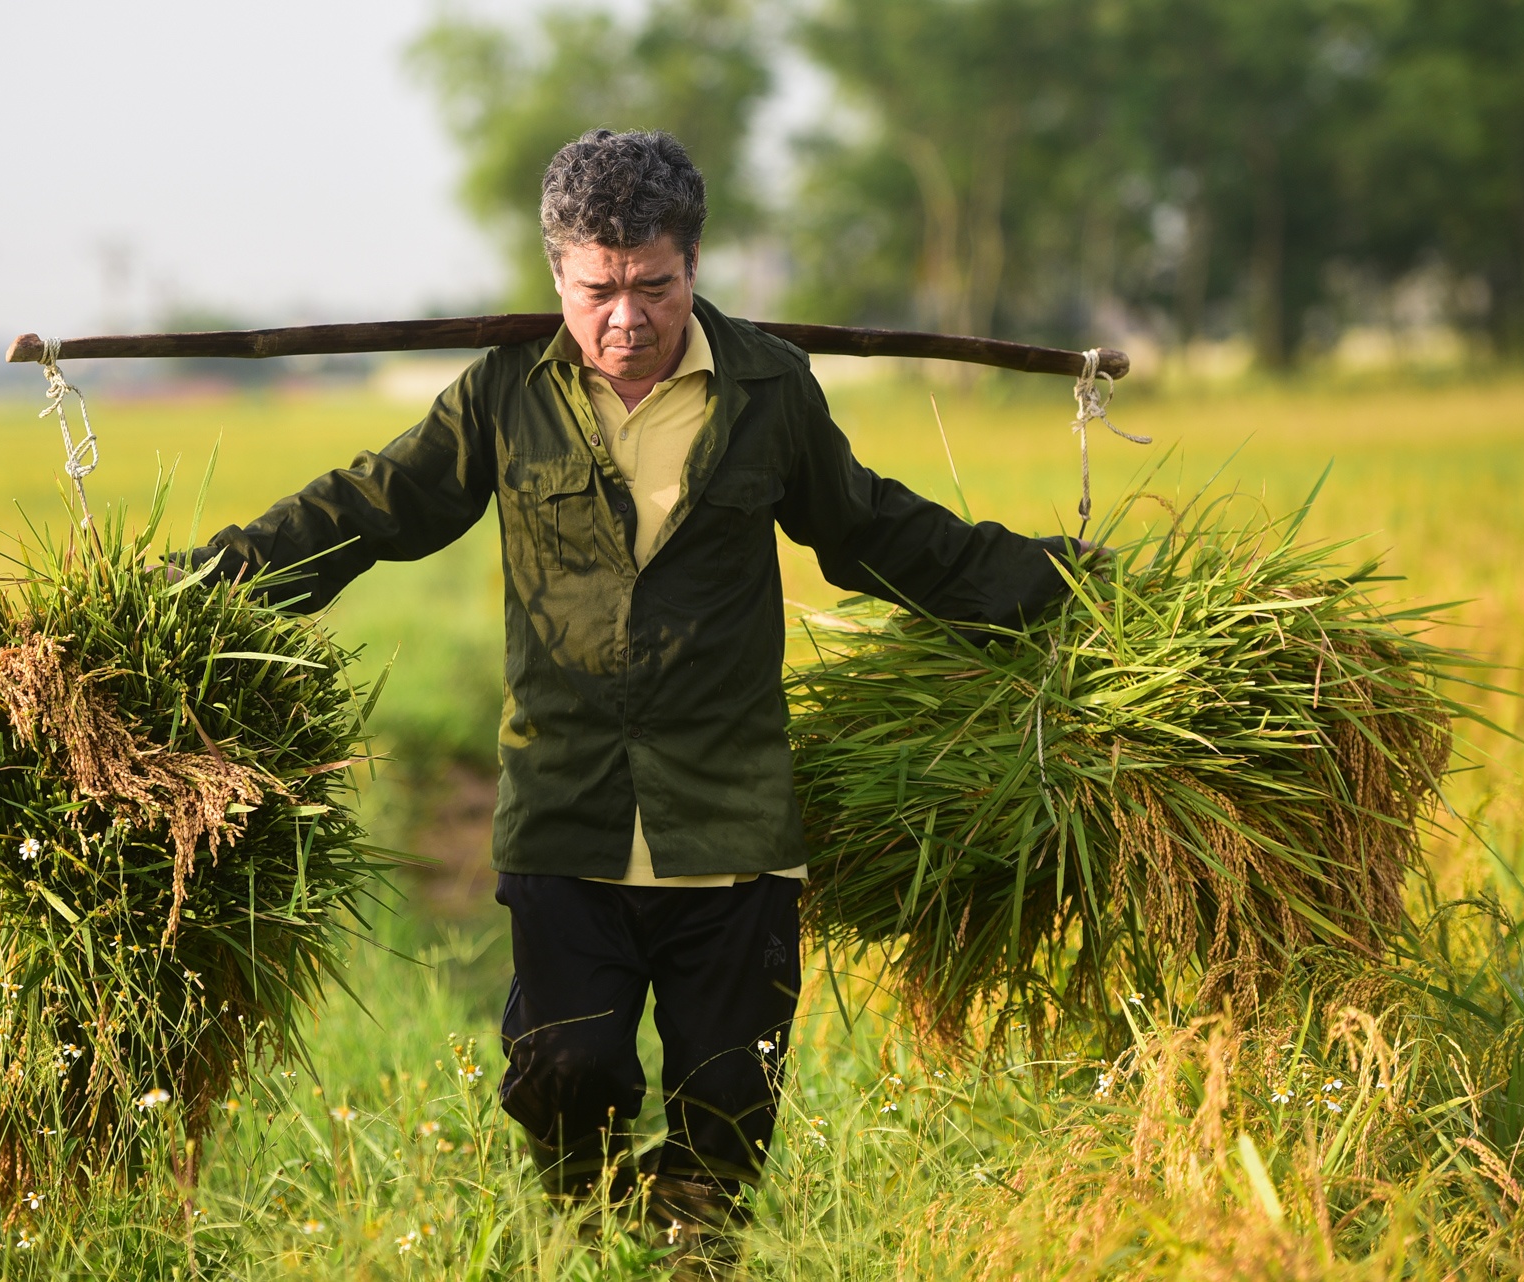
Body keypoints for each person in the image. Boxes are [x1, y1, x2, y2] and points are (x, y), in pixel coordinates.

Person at [185, 128, 1077, 1270]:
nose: (626, 318)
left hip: (732, 827)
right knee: (568, 1073)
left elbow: (869, 532)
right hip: (569, 815)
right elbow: (374, 506)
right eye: (598, 289)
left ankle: (689, 1252)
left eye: (652, 286)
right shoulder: (508, 392)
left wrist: (1054, 582)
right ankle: (595, 1233)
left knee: (728, 1112)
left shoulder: (767, 388)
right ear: (557, 275)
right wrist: (205, 588)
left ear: (692, 266)